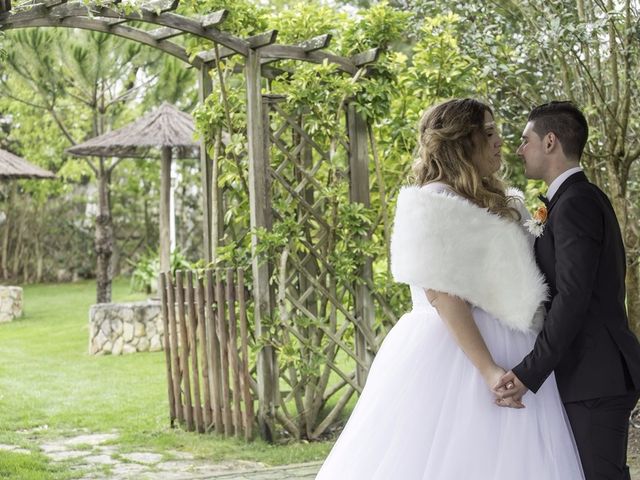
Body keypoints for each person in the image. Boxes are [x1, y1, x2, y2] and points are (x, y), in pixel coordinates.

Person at [315, 98, 584, 479]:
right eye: (489, 133)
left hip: (520, 348)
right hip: (459, 354)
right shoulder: (434, 199)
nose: (500, 142)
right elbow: (441, 294)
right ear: (462, 140)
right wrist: (490, 371)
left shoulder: (508, 202)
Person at [494, 101, 640, 480]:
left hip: (596, 376)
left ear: (550, 142)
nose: (518, 149)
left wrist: (528, 372)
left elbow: (572, 297)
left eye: (526, 140)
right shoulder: (571, 200)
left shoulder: (576, 203)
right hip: (588, 374)